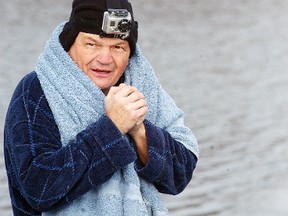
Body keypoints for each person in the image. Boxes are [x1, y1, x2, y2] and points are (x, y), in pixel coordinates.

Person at [4, 0, 199, 215]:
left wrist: (140, 132)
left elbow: (180, 175)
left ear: (130, 53)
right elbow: (38, 189)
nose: (105, 59)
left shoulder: (141, 88)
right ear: (70, 44)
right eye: (92, 44)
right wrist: (113, 128)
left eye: (118, 47)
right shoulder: (36, 90)